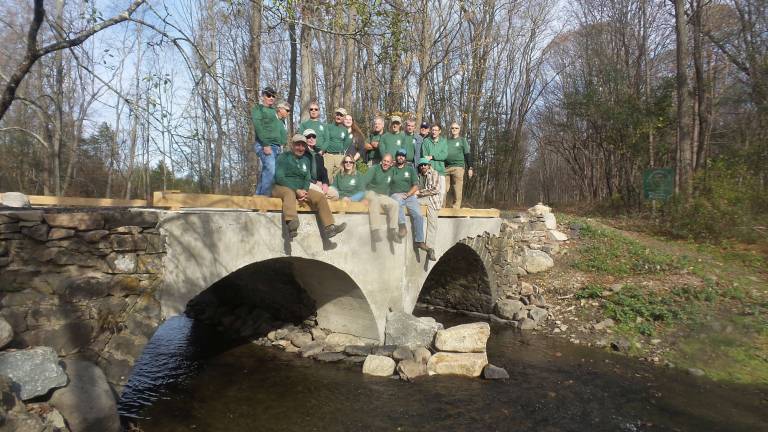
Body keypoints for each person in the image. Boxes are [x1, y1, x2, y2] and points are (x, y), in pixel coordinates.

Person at [272, 134, 346, 240]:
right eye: (298, 145)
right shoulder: (283, 157)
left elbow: (307, 178)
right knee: (289, 193)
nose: (300, 148)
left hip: (301, 189)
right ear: (292, 145)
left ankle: (329, 227)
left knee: (320, 197)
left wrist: (304, 190)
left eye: (303, 146)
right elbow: (279, 177)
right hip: (281, 186)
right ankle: (291, 223)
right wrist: (296, 190)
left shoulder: (306, 160)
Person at [390, 148, 433, 258]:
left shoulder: (410, 170)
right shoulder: (392, 169)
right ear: (396, 157)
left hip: (409, 195)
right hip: (396, 194)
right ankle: (402, 226)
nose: (401, 157)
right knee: (397, 201)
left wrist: (409, 194)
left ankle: (419, 241)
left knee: (419, 215)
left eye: (403, 156)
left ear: (405, 158)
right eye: (399, 155)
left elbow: (416, 185)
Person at [252, 87, 288, 195]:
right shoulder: (258, 109)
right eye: (268, 95)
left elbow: (281, 128)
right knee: (271, 170)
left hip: (276, 147)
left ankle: (257, 198)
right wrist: (265, 144)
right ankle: (264, 200)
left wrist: (282, 142)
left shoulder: (274, 112)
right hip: (264, 145)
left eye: (273, 96)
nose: (271, 98)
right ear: (263, 96)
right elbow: (258, 126)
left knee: (268, 172)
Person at [362, 153, 400, 242]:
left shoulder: (392, 171)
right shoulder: (374, 169)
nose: (385, 163)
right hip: (370, 192)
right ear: (381, 161)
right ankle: (375, 231)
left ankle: (393, 231)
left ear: (391, 163)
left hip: (382, 195)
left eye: (388, 162)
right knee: (374, 200)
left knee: (395, 204)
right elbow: (363, 182)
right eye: (384, 161)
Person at [416, 157, 440, 261]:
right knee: (410, 204)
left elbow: (435, 189)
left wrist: (420, 193)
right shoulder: (419, 176)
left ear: (428, 165)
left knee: (432, 223)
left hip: (432, 199)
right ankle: (418, 240)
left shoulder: (434, 173)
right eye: (421, 165)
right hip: (421, 198)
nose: (423, 167)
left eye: (425, 165)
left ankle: (430, 249)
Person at [303, 129, 338, 199]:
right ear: (304, 139)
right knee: (319, 193)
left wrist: (325, 183)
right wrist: (314, 182)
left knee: (335, 194)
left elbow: (323, 170)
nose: (311, 139)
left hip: (319, 183)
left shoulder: (318, 153)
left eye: (313, 136)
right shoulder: (302, 153)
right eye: (308, 137)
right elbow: (302, 172)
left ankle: (317, 202)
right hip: (308, 183)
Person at [445, 122, 474, 208]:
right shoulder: (447, 141)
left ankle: (456, 209)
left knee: (457, 189)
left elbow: (467, 154)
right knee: (443, 189)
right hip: (446, 168)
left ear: (459, 130)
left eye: (456, 128)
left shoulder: (462, 140)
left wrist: (470, 168)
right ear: (450, 129)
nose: (454, 129)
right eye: (452, 128)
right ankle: (441, 208)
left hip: (458, 167)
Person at [320, 107, 352, 184]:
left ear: (344, 117)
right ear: (335, 116)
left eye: (341, 115)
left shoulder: (345, 130)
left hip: (340, 156)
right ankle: (327, 192)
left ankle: (336, 193)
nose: (338, 117)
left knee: (339, 176)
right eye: (337, 114)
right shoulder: (328, 127)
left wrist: (342, 152)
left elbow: (346, 143)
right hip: (328, 155)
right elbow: (325, 140)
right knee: (327, 176)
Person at [421, 123, 448, 204]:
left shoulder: (443, 141)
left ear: (439, 131)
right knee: (429, 192)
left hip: (440, 170)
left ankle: (440, 212)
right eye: (433, 130)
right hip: (430, 171)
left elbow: (444, 155)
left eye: (436, 130)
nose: (434, 132)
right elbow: (425, 156)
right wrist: (429, 159)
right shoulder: (426, 141)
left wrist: (432, 157)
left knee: (442, 192)